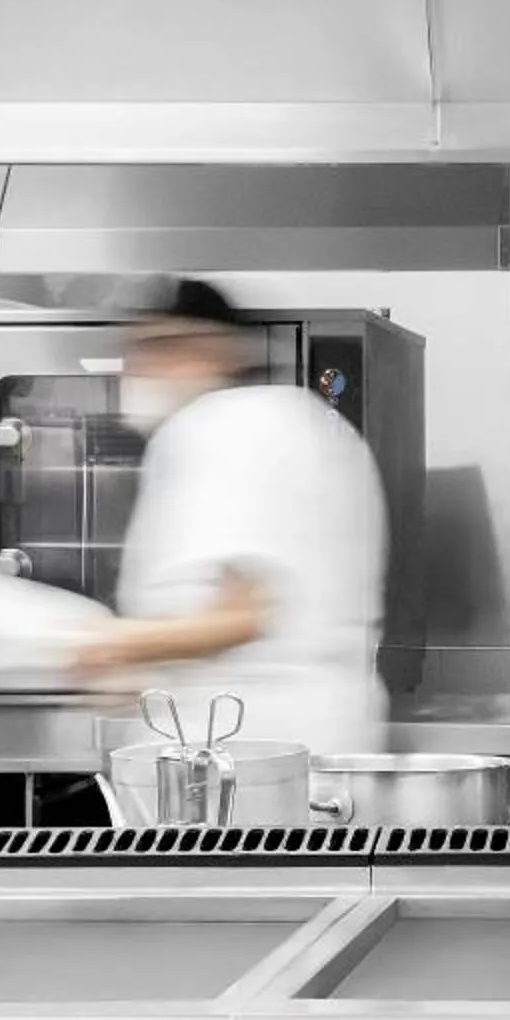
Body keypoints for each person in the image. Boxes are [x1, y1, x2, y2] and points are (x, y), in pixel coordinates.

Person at [68, 278, 390, 757]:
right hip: (293, 741)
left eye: (160, 348)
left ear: (217, 349)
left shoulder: (227, 429)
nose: (138, 370)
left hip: (249, 752)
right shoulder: (298, 421)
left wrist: (104, 644)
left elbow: (241, 617)